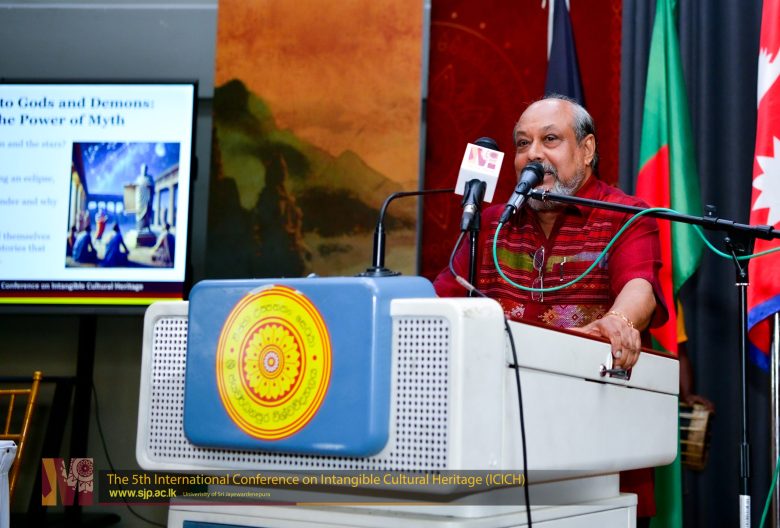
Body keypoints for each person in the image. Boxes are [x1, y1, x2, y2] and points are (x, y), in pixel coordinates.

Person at [434, 94, 668, 523]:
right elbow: (439, 306)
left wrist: (618, 321)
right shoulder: (491, 224)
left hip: (600, 457)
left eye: (550, 139)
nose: (533, 155)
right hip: (497, 453)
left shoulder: (626, 216)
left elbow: (640, 287)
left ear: (587, 149)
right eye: (523, 144)